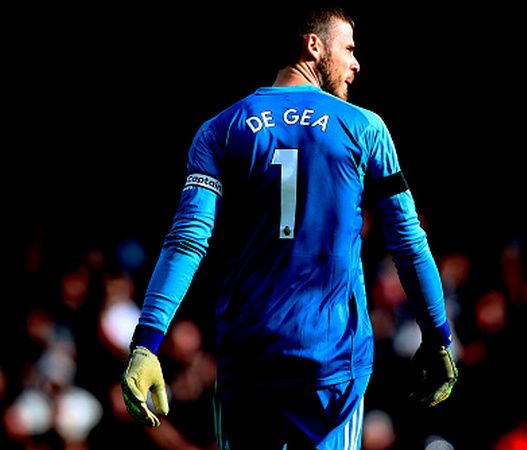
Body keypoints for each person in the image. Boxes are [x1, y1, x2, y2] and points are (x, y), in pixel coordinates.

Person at [120, 5, 457, 449]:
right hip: (331, 365)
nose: (356, 64)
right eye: (349, 49)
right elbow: (408, 241)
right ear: (313, 46)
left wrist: (147, 342)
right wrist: (437, 336)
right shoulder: (365, 128)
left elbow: (187, 239)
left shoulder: (221, 129)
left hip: (248, 362)